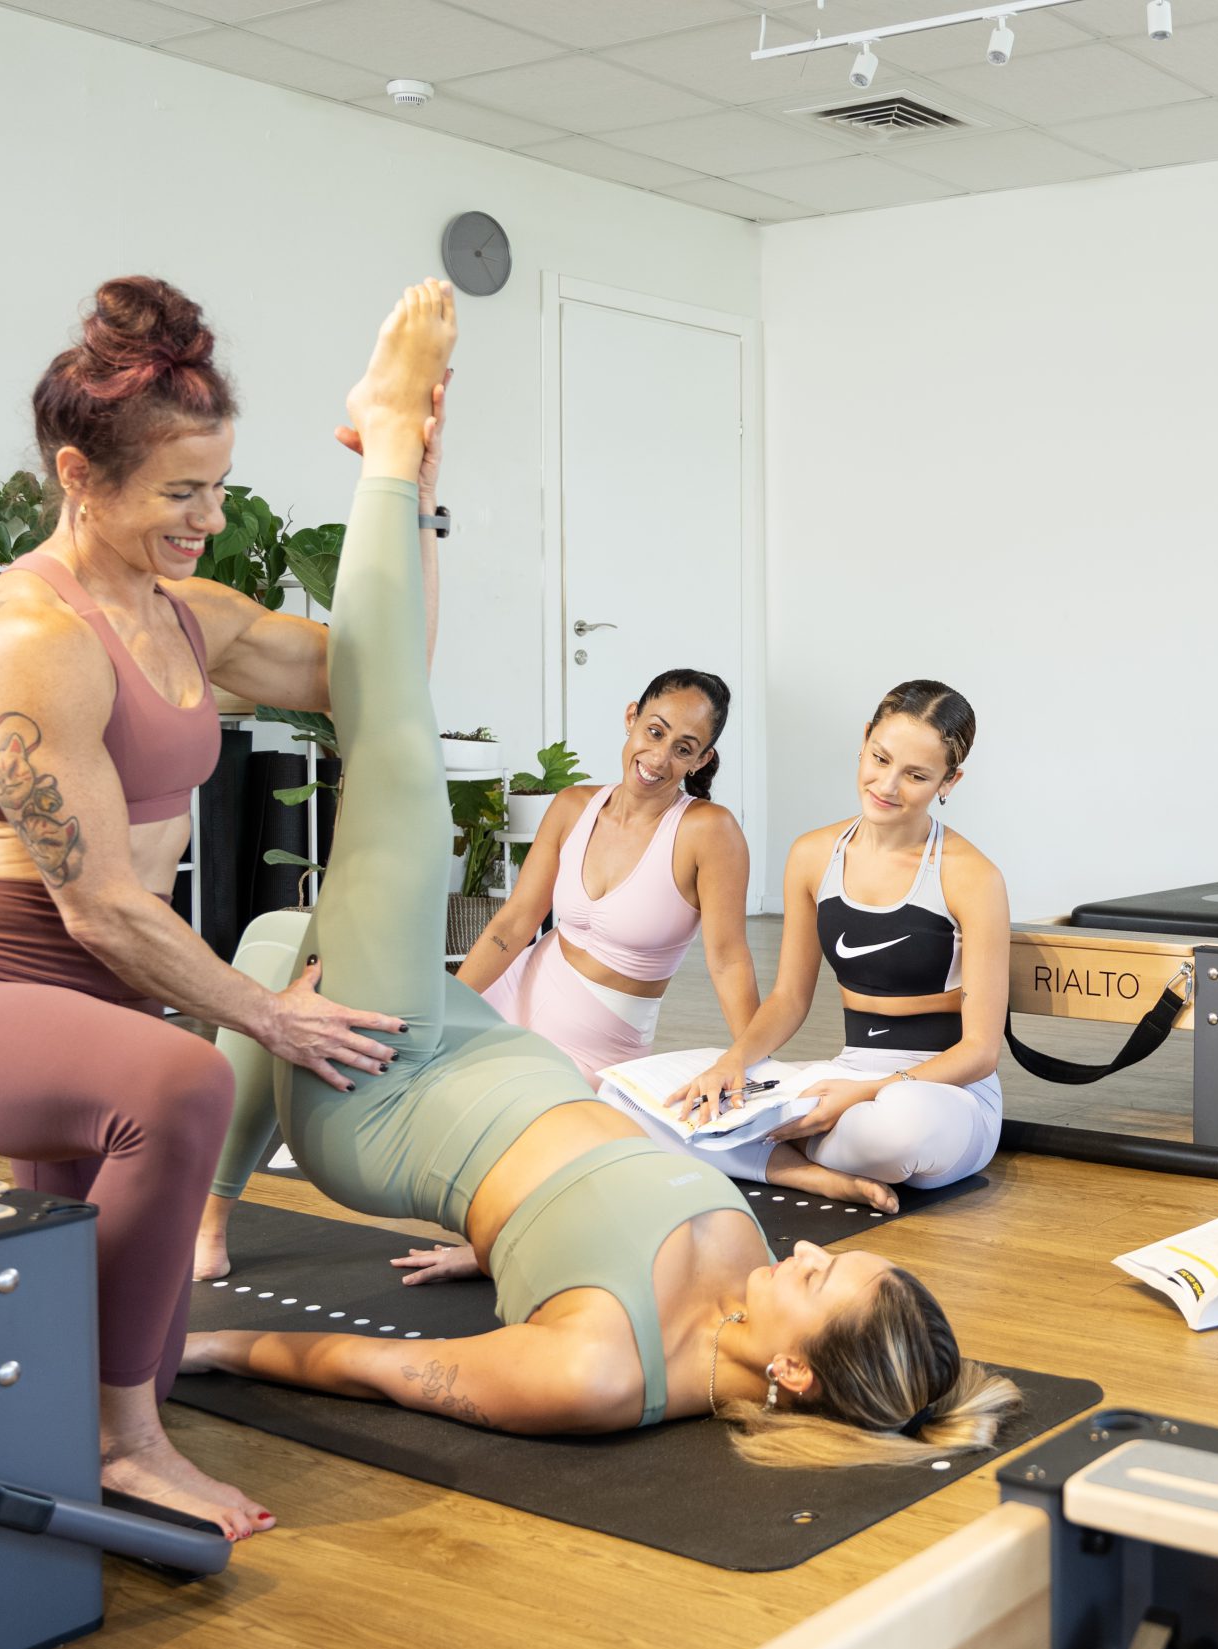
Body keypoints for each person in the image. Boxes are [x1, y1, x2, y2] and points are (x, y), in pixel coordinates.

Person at [181, 283, 1016, 1479]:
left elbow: (374, 1369)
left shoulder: (596, 1372)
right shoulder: (747, 1279)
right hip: (497, 1053)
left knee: (399, 758)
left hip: (391, 1099)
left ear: (789, 1375)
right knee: (276, 940)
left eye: (822, 1278)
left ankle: (401, 457)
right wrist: (512, 1248)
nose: (805, 1250)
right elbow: (593, 1188)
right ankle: (207, 1213)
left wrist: (204, 1350)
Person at [0, 276, 421, 1540]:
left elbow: (379, 671)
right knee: (186, 1082)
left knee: (127, 1337)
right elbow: (103, 907)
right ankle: (120, 1447)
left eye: (218, 488)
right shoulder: (34, 636)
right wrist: (267, 1016)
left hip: (92, 1009)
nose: (210, 520)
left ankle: (92, 1413)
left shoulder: (183, 616)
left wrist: (404, 481)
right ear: (80, 475)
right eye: (182, 494)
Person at [656, 682, 1008, 1212]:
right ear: (864, 740)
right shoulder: (812, 855)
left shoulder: (972, 877)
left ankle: (763, 1146)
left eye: (916, 775)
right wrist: (732, 1062)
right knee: (642, 1098)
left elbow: (980, 1052)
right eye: (880, 758)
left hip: (943, 1097)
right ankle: (810, 1172)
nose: (887, 785)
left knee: (894, 1130)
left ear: (949, 781)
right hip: (845, 1074)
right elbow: (789, 1000)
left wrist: (863, 1094)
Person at [455, 667, 759, 1086]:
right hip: (509, 1001)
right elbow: (515, 922)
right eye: (655, 732)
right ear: (632, 717)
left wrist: (753, 1059)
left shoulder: (709, 831)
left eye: (683, 749)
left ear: (701, 760)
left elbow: (728, 962)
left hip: (597, 1053)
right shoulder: (572, 806)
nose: (659, 758)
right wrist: (450, 1009)